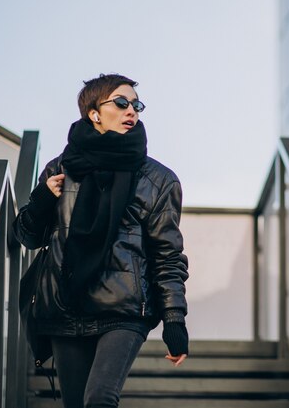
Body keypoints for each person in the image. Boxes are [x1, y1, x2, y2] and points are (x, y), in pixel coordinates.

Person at [13, 73, 189, 408]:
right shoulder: (60, 169)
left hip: (124, 310)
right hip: (67, 306)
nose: (131, 111)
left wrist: (174, 320)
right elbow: (28, 236)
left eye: (136, 105)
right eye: (121, 103)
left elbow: (168, 255)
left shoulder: (158, 180)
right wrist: (42, 200)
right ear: (94, 113)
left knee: (100, 398)